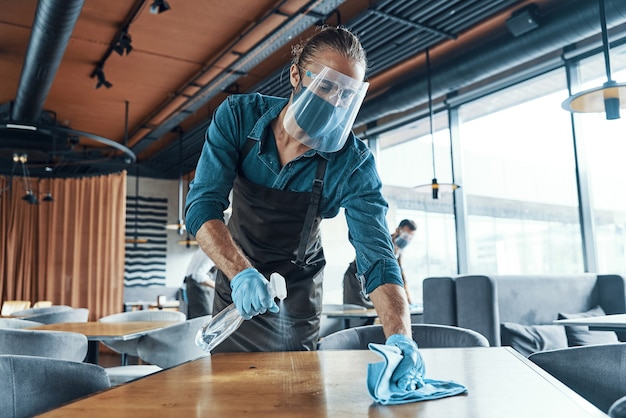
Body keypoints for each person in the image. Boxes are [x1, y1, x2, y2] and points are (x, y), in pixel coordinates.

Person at [186, 26, 421, 391]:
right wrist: (242, 274)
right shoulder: (239, 117)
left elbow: (377, 257)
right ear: (296, 74)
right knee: (230, 397)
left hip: (296, 297)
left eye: (347, 95)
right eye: (327, 86)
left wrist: (400, 337)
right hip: (237, 287)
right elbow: (202, 206)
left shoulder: (353, 163)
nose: (335, 103)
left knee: (297, 396)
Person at [343, 219, 417, 308]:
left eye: (410, 238)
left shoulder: (399, 250)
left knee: (375, 309)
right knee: (358, 310)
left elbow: (400, 274)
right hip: (356, 276)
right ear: (398, 230)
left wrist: (407, 298)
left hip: (371, 280)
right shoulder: (384, 243)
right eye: (405, 236)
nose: (407, 240)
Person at [183, 248, 216, 319]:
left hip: (191, 287)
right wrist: (218, 286)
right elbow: (198, 276)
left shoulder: (203, 248)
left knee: (196, 321)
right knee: (205, 319)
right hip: (196, 289)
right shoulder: (211, 250)